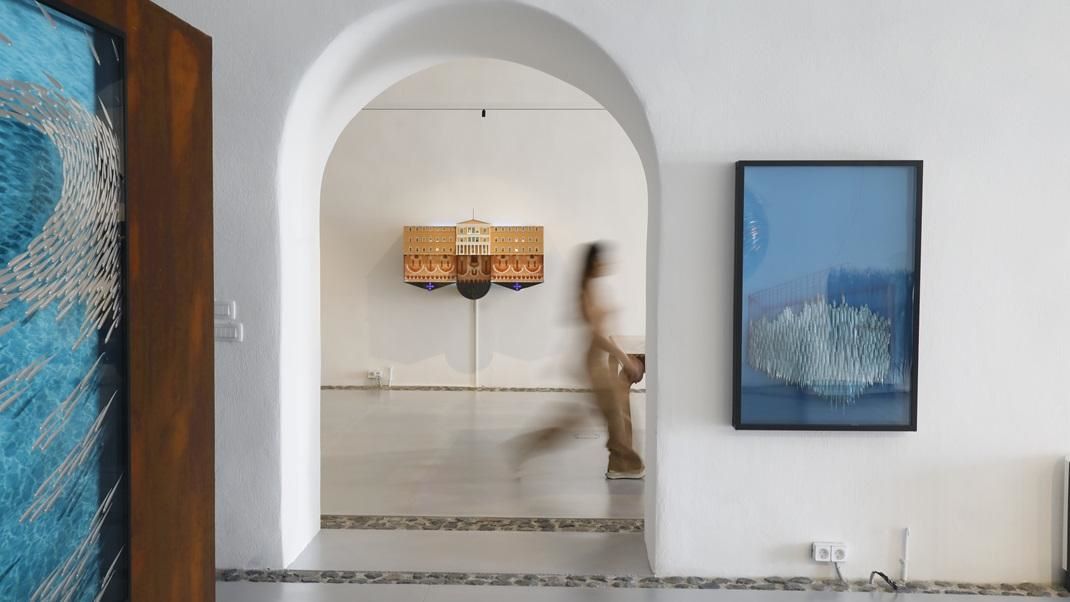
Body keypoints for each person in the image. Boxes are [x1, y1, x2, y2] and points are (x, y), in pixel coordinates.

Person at [511, 242, 646, 479]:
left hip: (596, 364)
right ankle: (623, 465)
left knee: (583, 419)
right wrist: (624, 358)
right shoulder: (585, 293)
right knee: (613, 415)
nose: (607, 265)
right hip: (593, 366)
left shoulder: (593, 288)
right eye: (602, 261)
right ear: (594, 263)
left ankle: (622, 464)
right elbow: (597, 335)